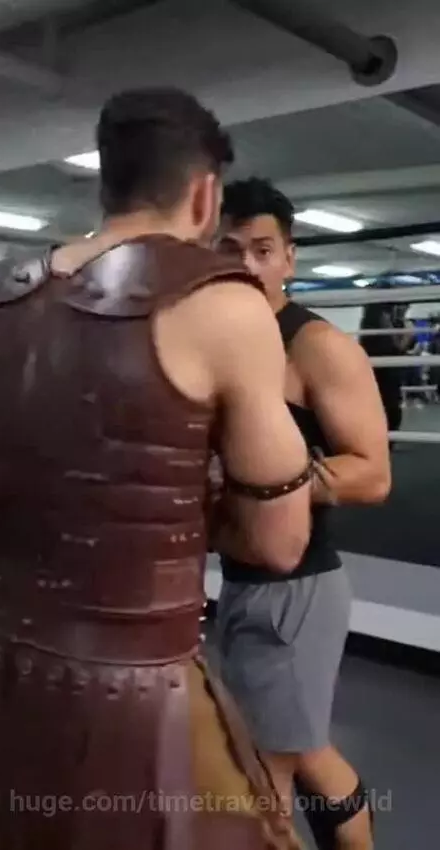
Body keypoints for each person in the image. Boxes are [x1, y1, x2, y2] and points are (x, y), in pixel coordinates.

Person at [0, 91, 314, 850]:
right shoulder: (223, 301)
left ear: (106, 181)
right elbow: (282, 543)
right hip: (133, 690)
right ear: (204, 193)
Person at [214, 178, 391, 850]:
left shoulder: (316, 347)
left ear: (289, 257)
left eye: (262, 249)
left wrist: (267, 484)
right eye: (231, 250)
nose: (247, 265)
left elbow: (372, 473)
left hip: (297, 593)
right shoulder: (226, 342)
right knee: (306, 751)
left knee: (263, 778)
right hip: (241, 580)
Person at [360, 299, 414, 435]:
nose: (402, 309)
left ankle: (383, 438)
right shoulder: (382, 319)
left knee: (385, 405)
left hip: (383, 369)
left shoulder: (377, 320)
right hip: (382, 370)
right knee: (387, 406)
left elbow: (400, 347)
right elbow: (398, 346)